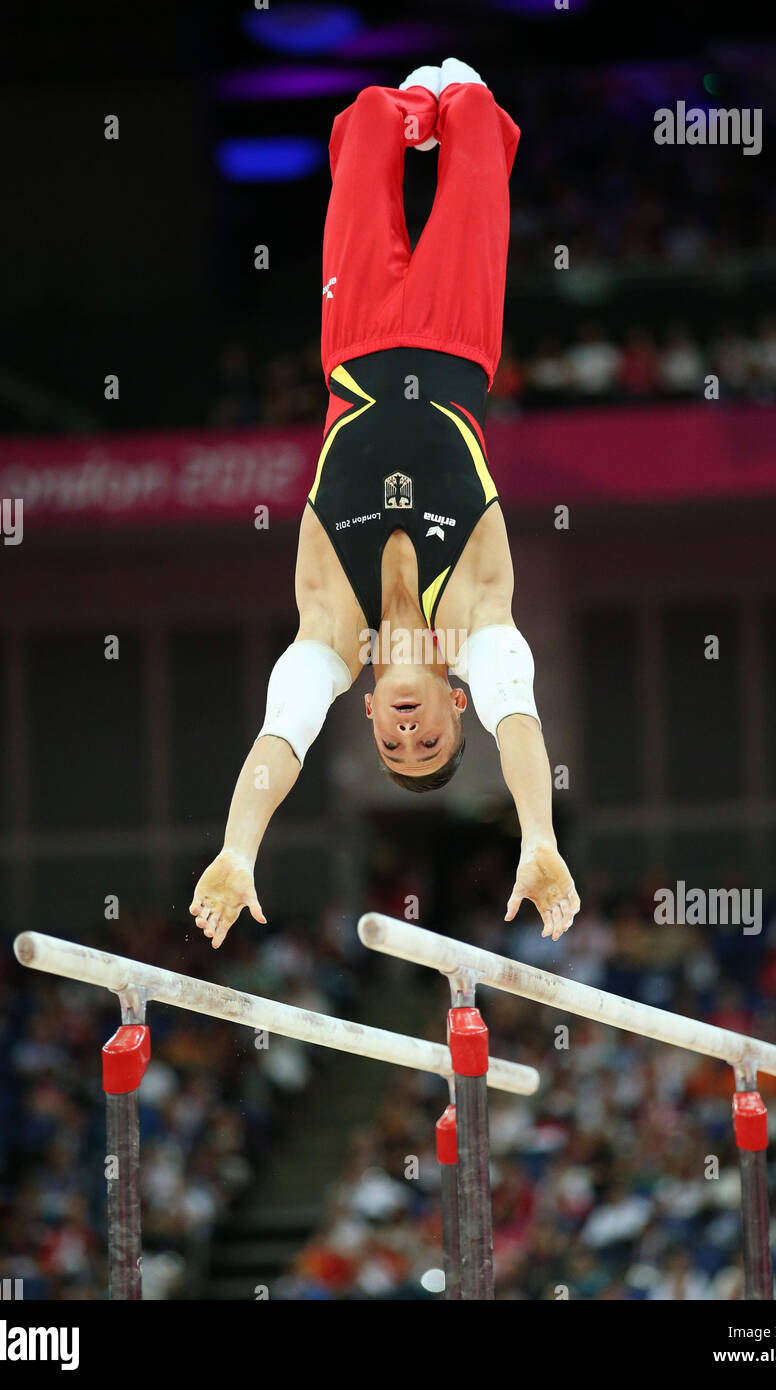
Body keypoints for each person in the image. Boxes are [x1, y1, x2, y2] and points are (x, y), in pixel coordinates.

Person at [190, 60, 580, 948]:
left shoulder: (330, 629)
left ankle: (410, 107)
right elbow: (520, 715)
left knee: (366, 127)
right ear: (457, 703)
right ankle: (452, 103)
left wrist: (237, 852)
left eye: (394, 747)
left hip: (355, 341)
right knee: (476, 129)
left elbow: (280, 735)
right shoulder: (481, 618)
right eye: (431, 744)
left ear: (366, 710)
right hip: (456, 337)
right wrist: (539, 836)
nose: (408, 736)